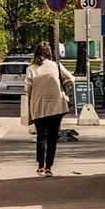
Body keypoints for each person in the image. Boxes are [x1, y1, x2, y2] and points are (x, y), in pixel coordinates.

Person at [24, 42, 74, 176]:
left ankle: (40, 165)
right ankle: (49, 167)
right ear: (49, 53)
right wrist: (64, 86)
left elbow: (27, 89)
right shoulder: (56, 66)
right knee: (52, 137)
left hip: (38, 107)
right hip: (56, 106)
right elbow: (70, 79)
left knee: (41, 136)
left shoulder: (31, 69)